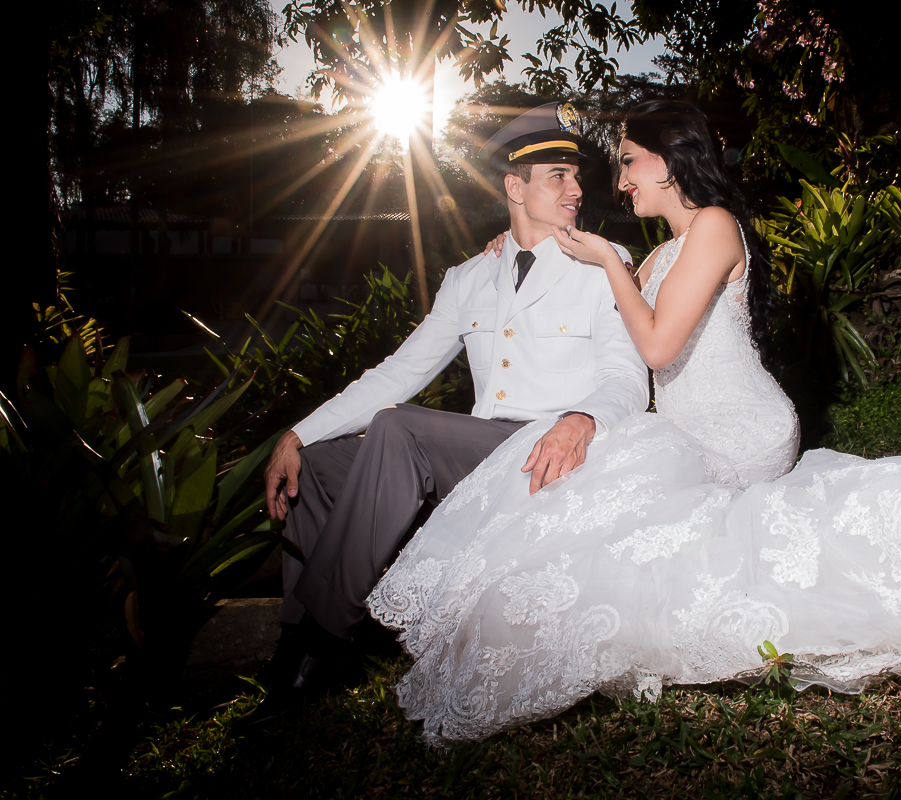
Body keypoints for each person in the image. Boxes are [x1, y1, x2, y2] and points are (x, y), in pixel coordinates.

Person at [365, 100, 901, 747]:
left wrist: (607, 263)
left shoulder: (711, 226)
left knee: (682, 533)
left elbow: (660, 343)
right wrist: (516, 246)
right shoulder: (654, 255)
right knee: (596, 505)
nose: (619, 180)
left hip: (738, 427)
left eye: (629, 162)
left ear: (668, 162)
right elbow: (625, 333)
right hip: (683, 428)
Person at [237, 102, 650, 730]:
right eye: (556, 177)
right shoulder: (467, 278)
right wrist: (298, 432)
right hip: (480, 451)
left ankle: (315, 650)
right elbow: (399, 373)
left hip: (544, 449)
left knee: (400, 429)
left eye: (576, 175)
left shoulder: (602, 262)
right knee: (319, 467)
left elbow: (626, 375)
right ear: (515, 187)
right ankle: (303, 632)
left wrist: (582, 420)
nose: (575, 188)